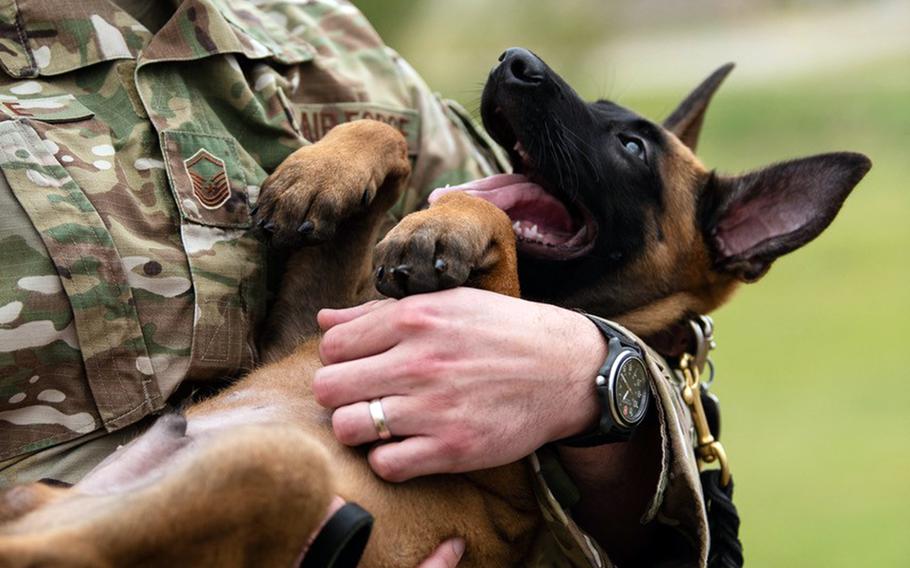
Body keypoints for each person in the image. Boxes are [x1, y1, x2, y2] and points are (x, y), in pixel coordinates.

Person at [0, 1, 709, 566]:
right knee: (275, 478)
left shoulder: (317, 30)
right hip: (223, 506)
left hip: (188, 486)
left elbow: (654, 358)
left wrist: (593, 378)